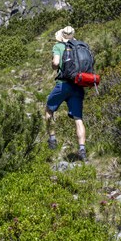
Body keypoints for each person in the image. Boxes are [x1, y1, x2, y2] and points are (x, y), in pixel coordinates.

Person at [45, 26, 87, 161]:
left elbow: (56, 63)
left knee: (49, 109)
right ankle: (82, 150)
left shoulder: (58, 46)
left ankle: (52, 140)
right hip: (78, 85)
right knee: (78, 119)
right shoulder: (79, 46)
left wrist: (53, 65)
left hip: (63, 85)